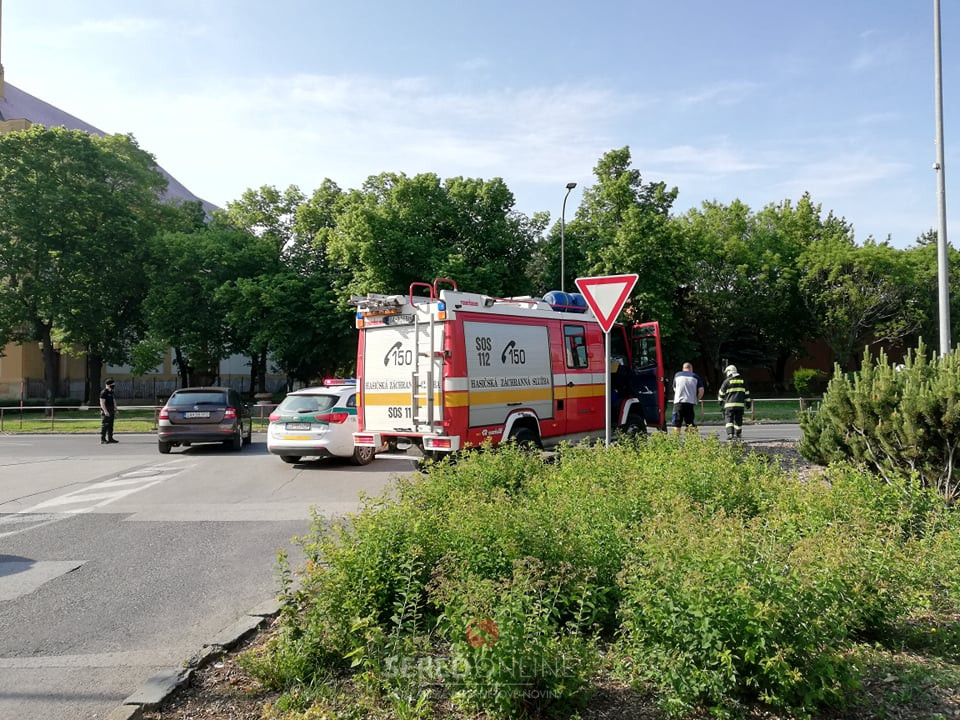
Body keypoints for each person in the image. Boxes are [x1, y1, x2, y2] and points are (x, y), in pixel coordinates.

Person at [717, 364, 751, 441]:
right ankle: (738, 433)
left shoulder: (727, 381)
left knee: (729, 419)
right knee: (738, 419)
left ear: (729, 371)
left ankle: (730, 434)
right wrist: (748, 402)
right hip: (740, 406)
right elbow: (747, 393)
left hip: (729, 405)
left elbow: (721, 393)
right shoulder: (743, 381)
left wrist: (720, 401)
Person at [672, 362, 704, 432]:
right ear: (691, 369)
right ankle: (690, 438)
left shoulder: (677, 375)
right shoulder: (695, 376)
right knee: (690, 423)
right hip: (690, 402)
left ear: (683, 369)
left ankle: (676, 438)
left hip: (678, 402)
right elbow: (701, 390)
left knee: (677, 423)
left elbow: (674, 388)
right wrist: (696, 399)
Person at [99, 378, 118, 444]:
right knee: (105, 425)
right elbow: (102, 403)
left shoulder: (111, 392)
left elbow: (113, 400)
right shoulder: (104, 392)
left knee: (111, 425)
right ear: (108, 384)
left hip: (111, 409)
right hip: (106, 410)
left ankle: (110, 438)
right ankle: (103, 439)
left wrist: (116, 409)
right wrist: (105, 411)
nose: (113, 385)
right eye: (112, 384)